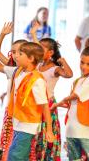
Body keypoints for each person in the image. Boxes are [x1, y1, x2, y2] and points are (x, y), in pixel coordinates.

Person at [0, 42, 55, 160]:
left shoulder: (37, 80)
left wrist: (49, 130)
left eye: (20, 53)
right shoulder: (18, 71)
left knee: (14, 156)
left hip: (28, 126)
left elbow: (45, 106)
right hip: (18, 123)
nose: (16, 56)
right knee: (20, 156)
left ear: (30, 58)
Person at [51, 46, 89, 160]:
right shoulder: (78, 80)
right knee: (74, 158)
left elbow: (75, 96)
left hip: (85, 129)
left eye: (88, 64)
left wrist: (60, 102)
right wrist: (58, 105)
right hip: (72, 127)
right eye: (82, 62)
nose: (84, 66)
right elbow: (71, 103)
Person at [30, 28, 73, 160]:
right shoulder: (37, 65)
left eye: (41, 49)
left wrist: (63, 61)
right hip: (35, 105)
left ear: (50, 53)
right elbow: (39, 47)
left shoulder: (55, 68)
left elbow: (69, 74)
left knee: (46, 133)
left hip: (48, 105)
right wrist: (33, 34)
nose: (38, 51)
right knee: (36, 134)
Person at [0, 22, 27, 161]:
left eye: (19, 52)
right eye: (13, 51)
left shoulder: (26, 70)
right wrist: (2, 34)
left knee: (19, 145)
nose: (15, 54)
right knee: (7, 142)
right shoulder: (11, 66)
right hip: (10, 110)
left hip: (23, 113)